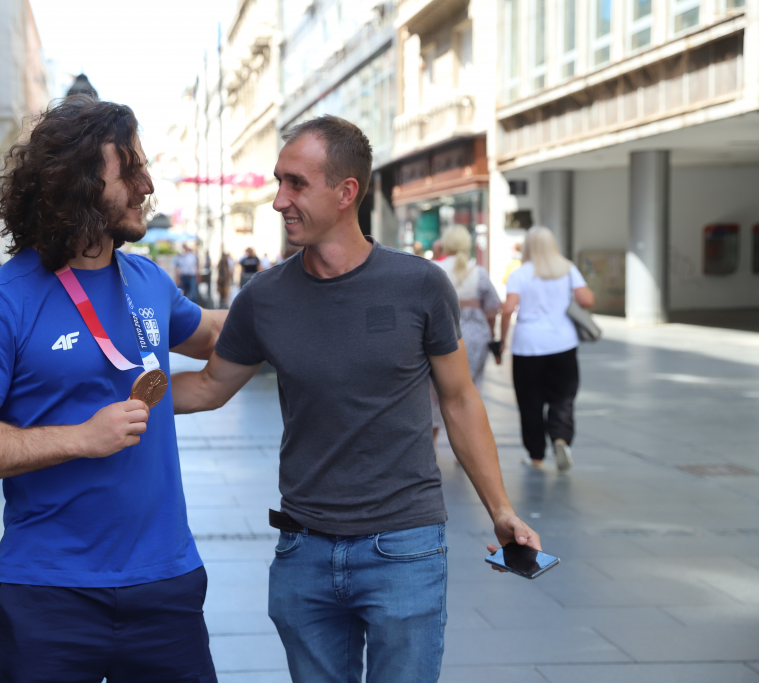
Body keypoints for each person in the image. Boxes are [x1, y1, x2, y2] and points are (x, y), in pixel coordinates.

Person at [171, 115, 538, 683]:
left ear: (347, 193)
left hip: (405, 549)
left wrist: (502, 511)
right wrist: (99, 391)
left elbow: (461, 400)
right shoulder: (264, 297)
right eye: (278, 181)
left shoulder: (419, 285)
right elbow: (206, 386)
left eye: (296, 183)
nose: (278, 201)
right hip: (303, 552)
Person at [0, 97, 227, 682]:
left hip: (166, 580)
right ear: (80, 181)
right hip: (50, 591)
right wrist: (81, 438)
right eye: (130, 169)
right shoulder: (1, 302)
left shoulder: (148, 279)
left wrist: (302, 294)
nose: (147, 184)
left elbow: (212, 333)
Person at [500, 226, 594, 471]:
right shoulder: (567, 269)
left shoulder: (520, 274)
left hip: (527, 346)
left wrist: (501, 340)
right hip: (563, 343)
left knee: (530, 402)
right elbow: (587, 300)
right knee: (563, 397)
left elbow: (508, 308)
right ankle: (561, 439)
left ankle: (536, 456)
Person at [429, 226, 501, 449]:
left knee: (435, 392)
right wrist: (493, 335)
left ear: (445, 245)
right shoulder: (478, 272)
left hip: (440, 338)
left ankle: (431, 446)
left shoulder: (434, 269)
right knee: (470, 391)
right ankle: (467, 450)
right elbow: (493, 307)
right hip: (476, 338)